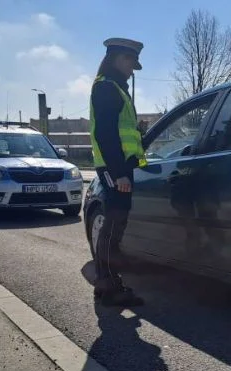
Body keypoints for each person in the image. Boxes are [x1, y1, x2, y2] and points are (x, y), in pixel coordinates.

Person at [89, 37, 147, 307]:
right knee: (113, 228)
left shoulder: (116, 89)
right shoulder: (106, 88)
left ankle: (106, 284)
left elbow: (121, 133)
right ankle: (110, 287)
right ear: (115, 58)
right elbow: (105, 134)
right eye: (129, 62)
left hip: (121, 169)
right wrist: (119, 172)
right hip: (115, 170)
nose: (131, 69)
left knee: (115, 227)